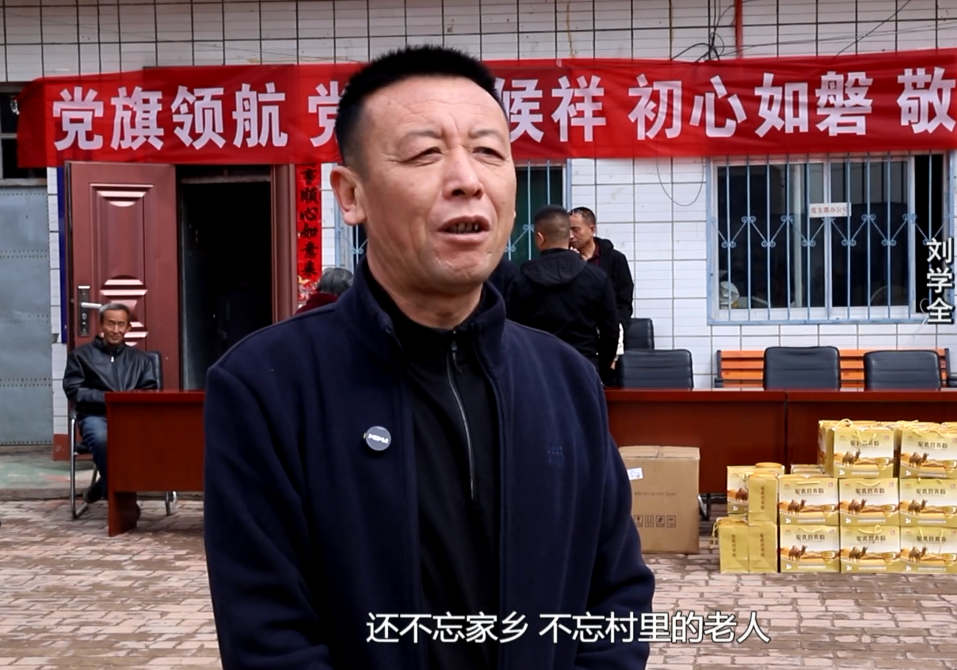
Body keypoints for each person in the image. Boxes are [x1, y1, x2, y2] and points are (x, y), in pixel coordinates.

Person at [202, 45, 654, 670]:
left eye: (489, 152)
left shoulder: (566, 381)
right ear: (351, 194)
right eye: (424, 154)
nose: (468, 179)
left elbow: (617, 599)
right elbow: (269, 640)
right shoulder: (265, 387)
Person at [505, 205, 621, 382]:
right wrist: (601, 368)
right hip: (585, 369)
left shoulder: (521, 281)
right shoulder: (596, 277)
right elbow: (610, 330)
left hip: (537, 371)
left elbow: (510, 331)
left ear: (540, 238)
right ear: (569, 235)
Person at [62, 303, 159, 506]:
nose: (115, 330)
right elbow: (74, 390)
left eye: (121, 324)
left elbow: (150, 391)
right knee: (102, 439)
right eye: (110, 324)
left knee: (155, 440)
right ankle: (124, 504)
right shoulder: (80, 356)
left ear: (128, 327)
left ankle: (103, 485)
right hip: (96, 416)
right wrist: (109, 398)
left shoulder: (142, 360)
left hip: (131, 418)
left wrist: (127, 401)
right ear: (101, 325)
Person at [569, 206, 634, 333]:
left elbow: (624, 300)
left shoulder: (615, 259)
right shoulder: (565, 259)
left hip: (608, 329)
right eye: (567, 231)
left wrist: (618, 326)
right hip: (575, 331)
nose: (570, 236)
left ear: (592, 229)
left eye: (575, 230)